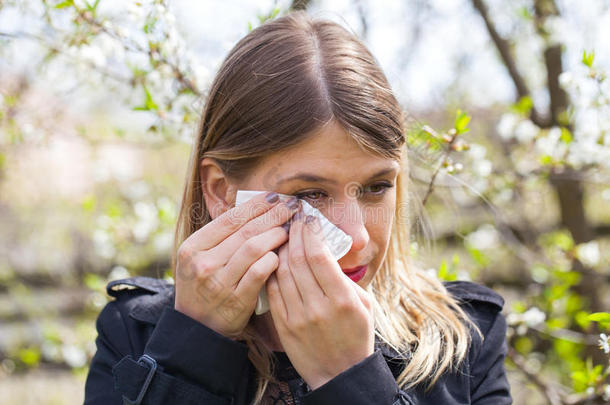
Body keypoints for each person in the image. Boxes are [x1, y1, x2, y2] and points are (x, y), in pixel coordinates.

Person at [83, 10, 512, 405]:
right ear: (219, 190)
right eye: (310, 194)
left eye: (377, 186)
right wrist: (194, 350)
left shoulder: (464, 341)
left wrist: (350, 379)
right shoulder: (137, 336)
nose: (358, 238)